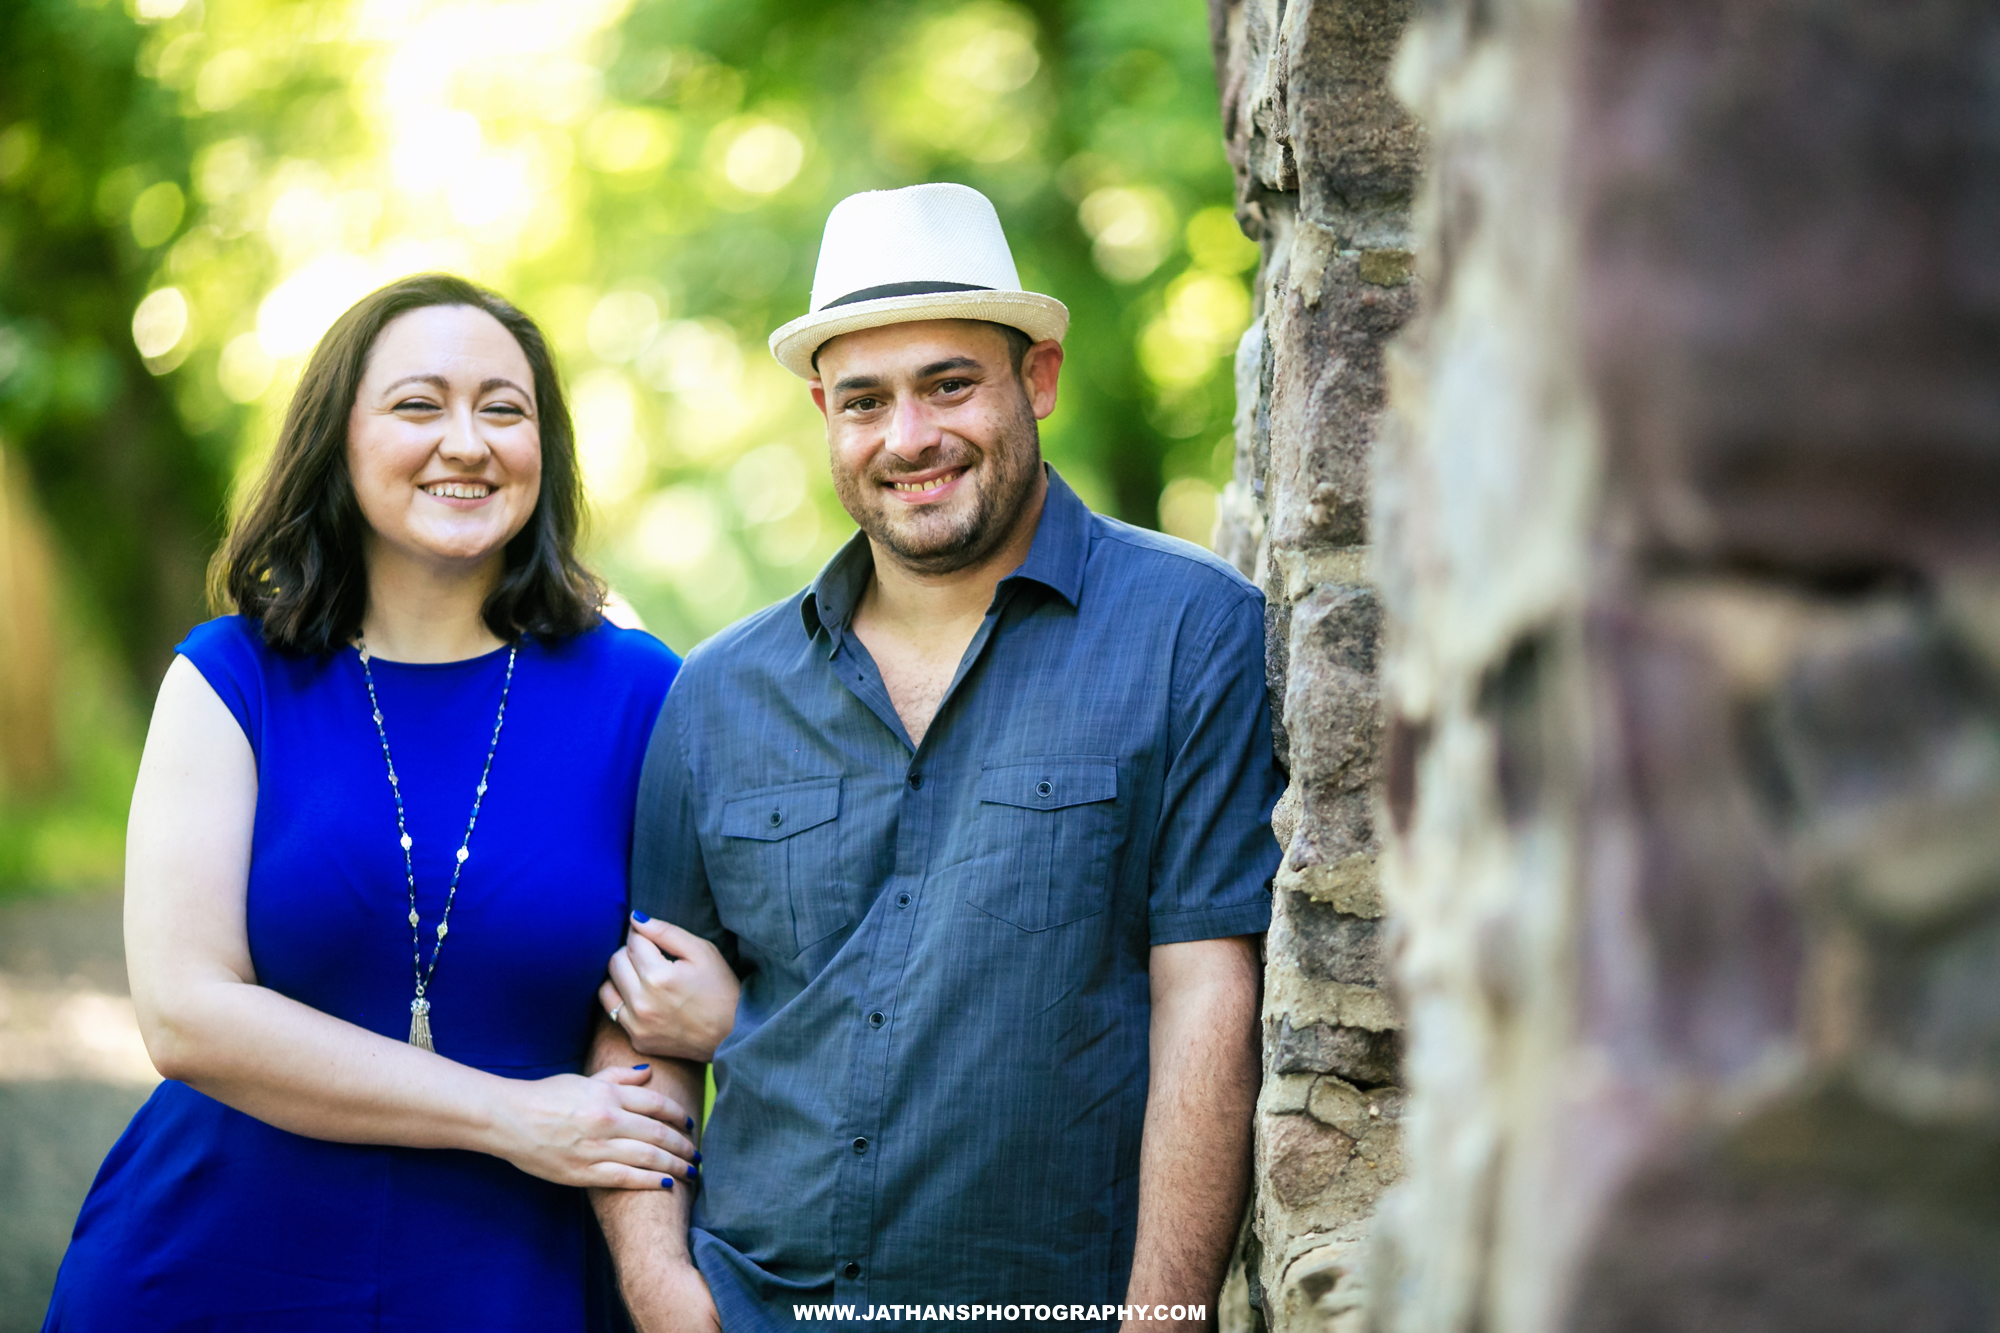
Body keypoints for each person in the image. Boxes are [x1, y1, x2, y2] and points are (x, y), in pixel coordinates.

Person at [592, 183, 1279, 1331]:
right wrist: (664, 1288)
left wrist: (1166, 1315)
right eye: (863, 400)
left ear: (1038, 378)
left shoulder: (1187, 629)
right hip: (757, 1303)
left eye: (948, 384)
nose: (908, 438)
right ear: (824, 414)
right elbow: (637, 1015)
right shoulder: (715, 693)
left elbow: (1205, 990)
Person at [43, 273, 738, 1332]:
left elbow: (666, 1015)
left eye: (503, 409)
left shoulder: (643, 691)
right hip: (208, 1272)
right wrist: (513, 1116)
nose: (466, 441)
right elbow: (185, 1012)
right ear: (338, 439)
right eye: (419, 405)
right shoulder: (234, 677)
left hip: (510, 1286)